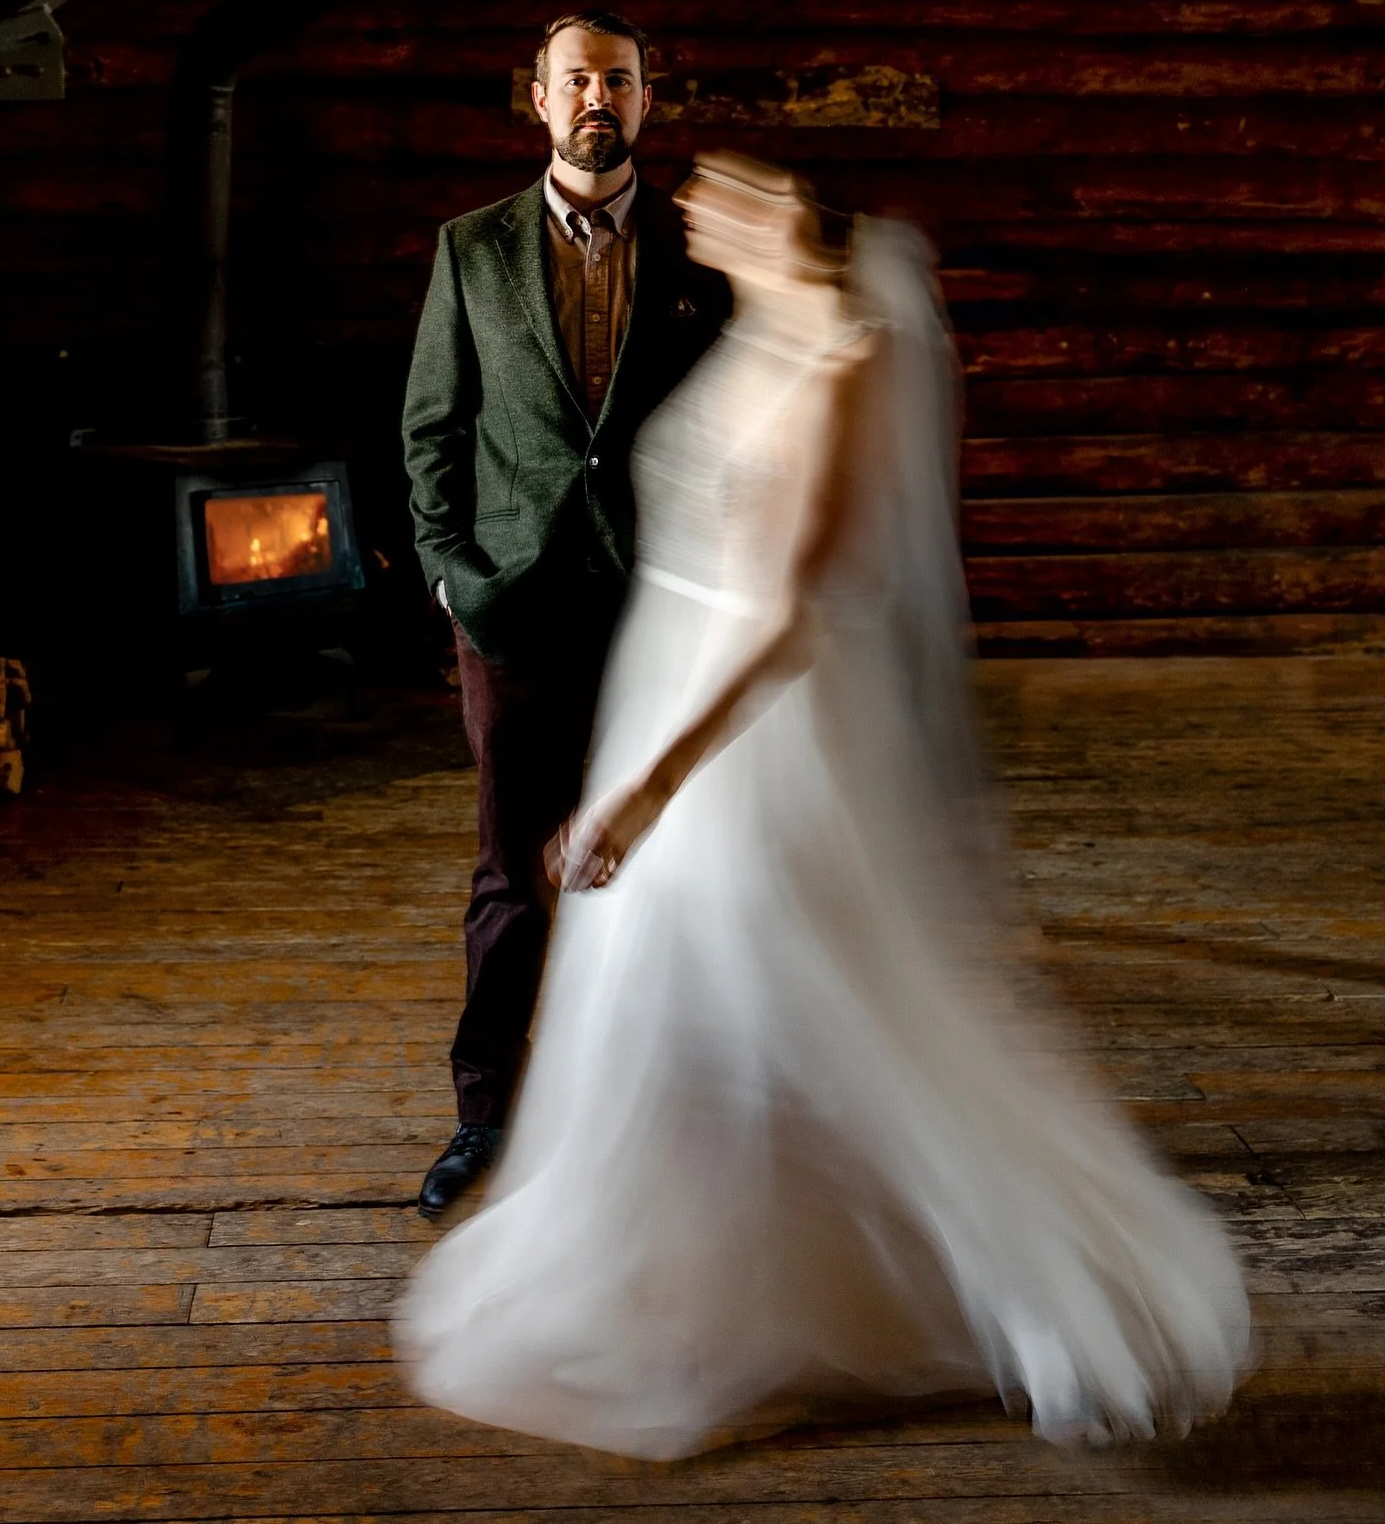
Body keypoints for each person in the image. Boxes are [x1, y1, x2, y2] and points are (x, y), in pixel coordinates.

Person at [395, 154, 1249, 1456]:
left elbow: (790, 611)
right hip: (671, 694)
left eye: (748, 196)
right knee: (683, 1014)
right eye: (714, 193)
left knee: (783, 1004)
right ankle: (715, 1281)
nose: (705, 206)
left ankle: (1035, 1283)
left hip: (756, 743)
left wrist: (649, 786)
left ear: (819, 223)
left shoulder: (844, 362)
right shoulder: (750, 329)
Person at [402, 12, 728, 1216]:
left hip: (661, 606)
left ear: (649, 101)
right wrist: (453, 572)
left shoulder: (702, 245)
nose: (601, 96)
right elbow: (432, 425)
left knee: (666, 855)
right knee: (511, 867)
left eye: (622, 80)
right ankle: (484, 1110)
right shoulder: (471, 247)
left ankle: (650, 1107)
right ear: (535, 100)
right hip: (514, 608)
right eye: (577, 78)